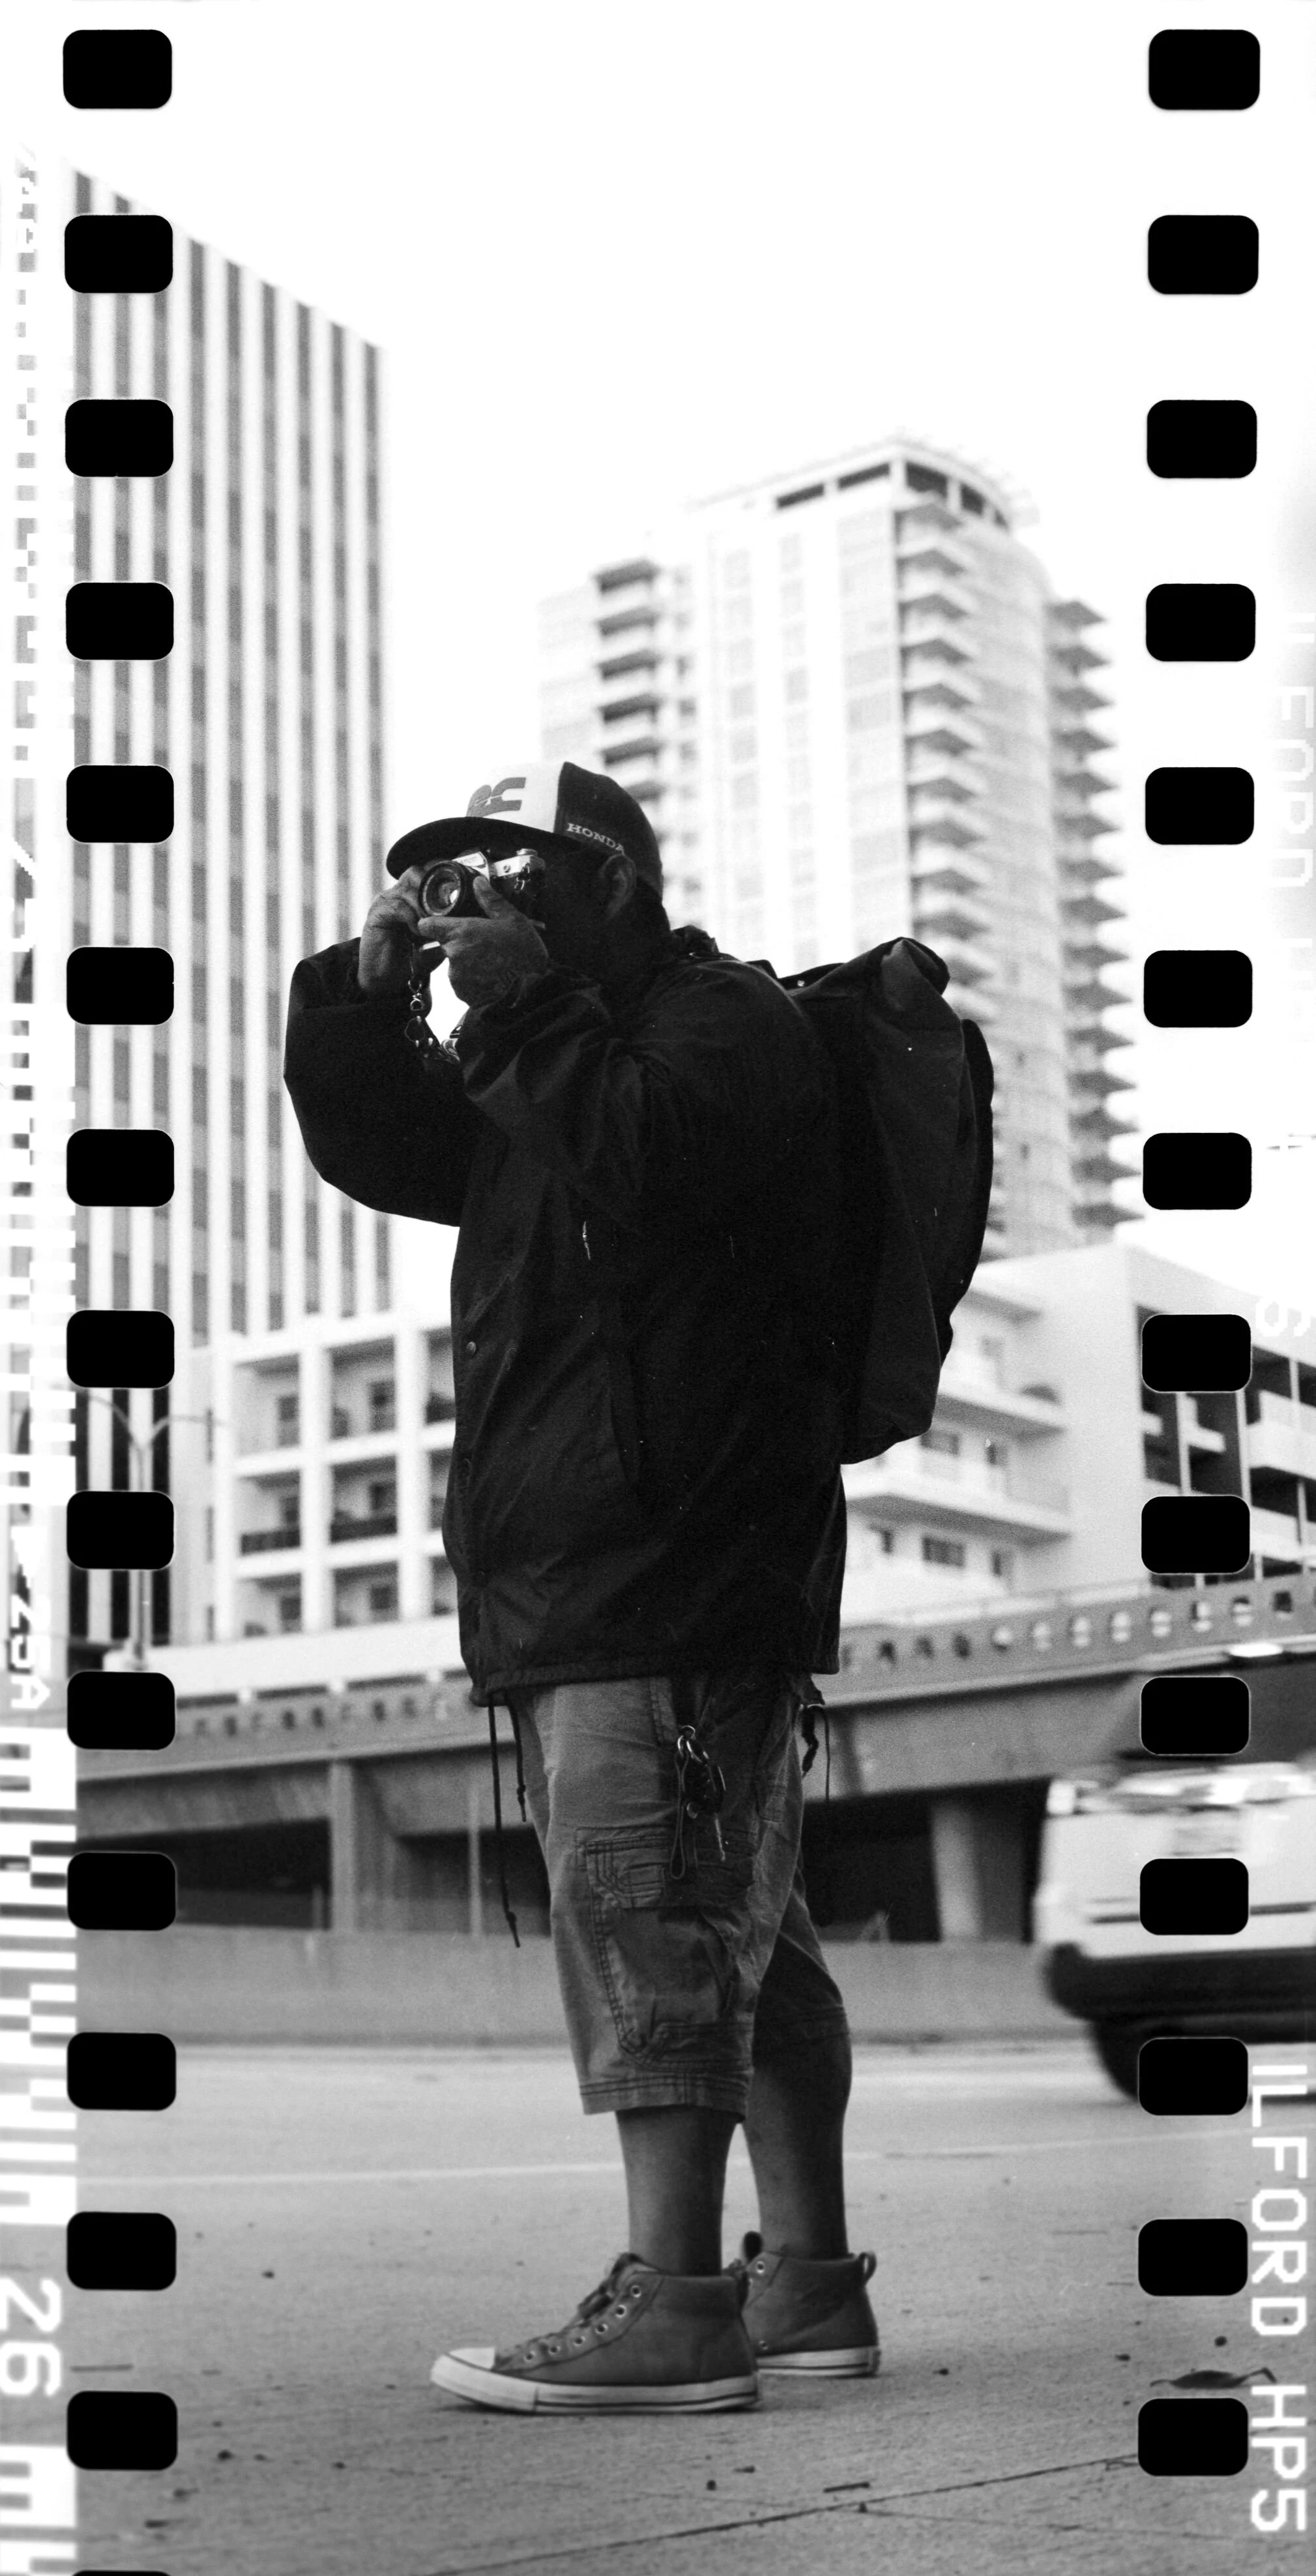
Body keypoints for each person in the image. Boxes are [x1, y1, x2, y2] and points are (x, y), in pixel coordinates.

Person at [284, 759, 879, 2414]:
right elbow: (384, 1139)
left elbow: (656, 1155)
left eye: (511, 875)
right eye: (455, 882)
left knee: (650, 1916)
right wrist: (364, 996)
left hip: (670, 1566)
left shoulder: (724, 1022)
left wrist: (525, 1007)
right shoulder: (545, 1066)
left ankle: (676, 2307)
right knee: (745, 1936)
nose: (478, 904)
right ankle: (805, 2282)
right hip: (603, 1572)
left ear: (608, 880)